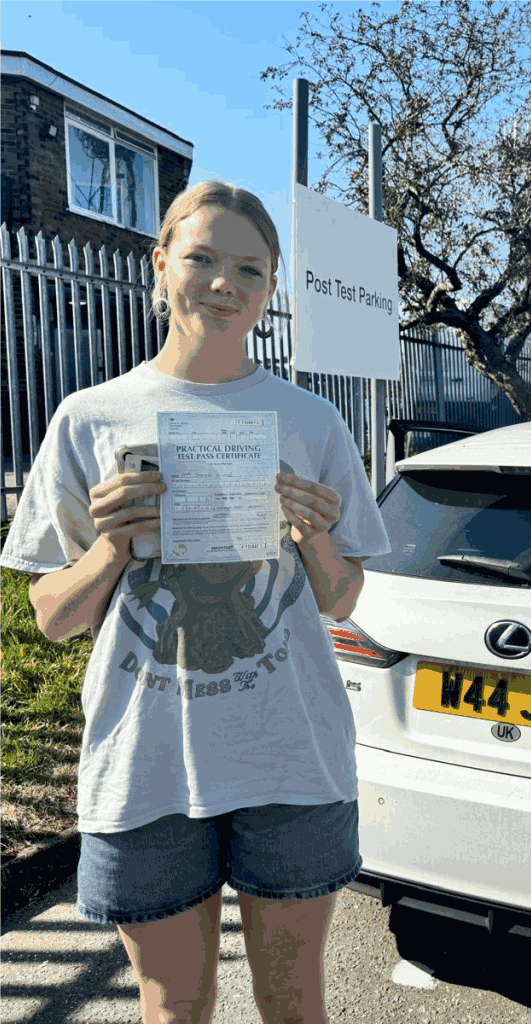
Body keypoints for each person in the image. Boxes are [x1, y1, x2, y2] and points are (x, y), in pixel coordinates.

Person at [0, 181, 390, 1024]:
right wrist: (110, 544)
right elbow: (52, 616)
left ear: (270, 288)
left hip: (291, 753)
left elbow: (342, 598)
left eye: (249, 268)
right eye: (204, 257)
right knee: (174, 1006)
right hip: (146, 761)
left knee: (294, 1004)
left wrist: (317, 537)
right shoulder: (88, 417)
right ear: (160, 264)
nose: (225, 283)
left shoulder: (311, 422)